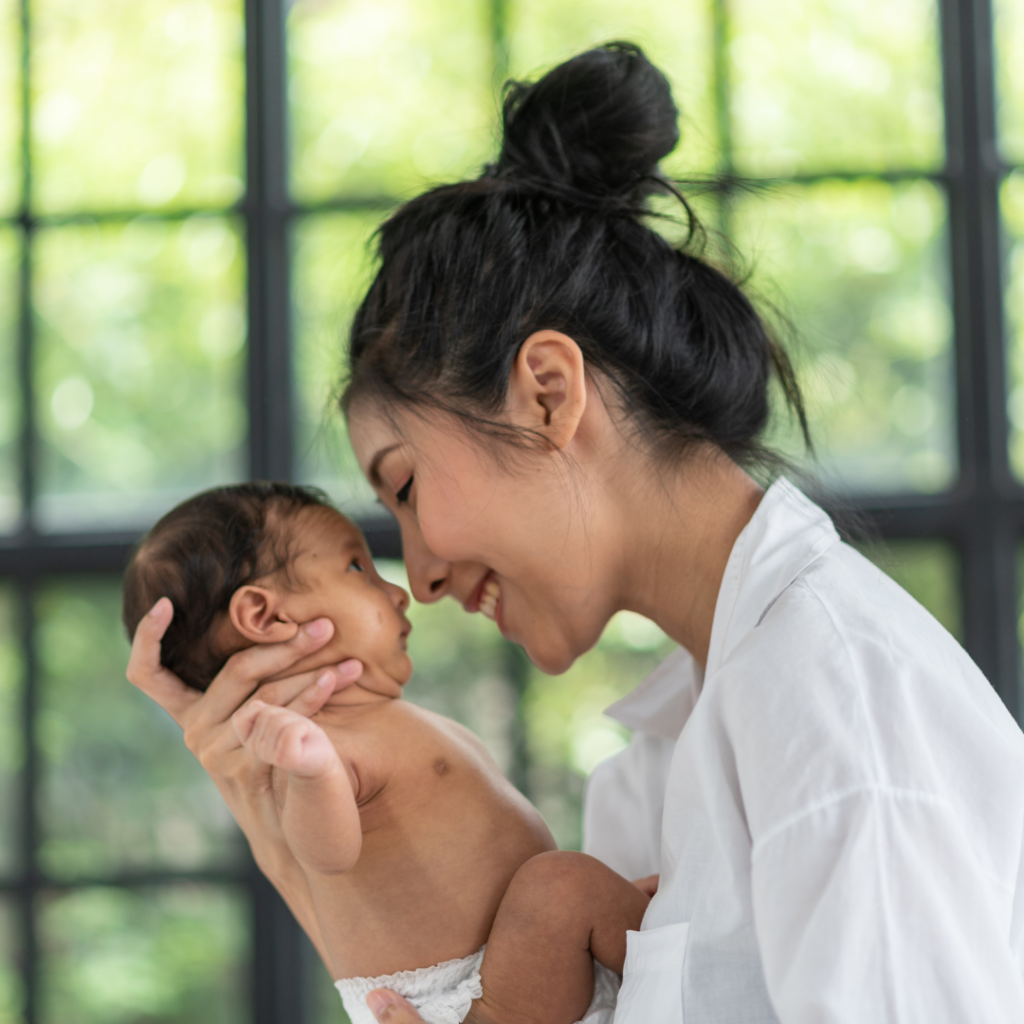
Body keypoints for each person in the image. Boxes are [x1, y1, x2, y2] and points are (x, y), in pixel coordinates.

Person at [127, 42, 1024, 1023]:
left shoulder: (830, 709)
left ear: (548, 393)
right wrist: (322, 884)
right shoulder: (656, 768)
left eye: (408, 488)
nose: (417, 575)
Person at [122, 482, 643, 1024]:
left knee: (577, 891)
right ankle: (669, 941)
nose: (398, 592)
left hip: (520, 969)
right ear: (267, 616)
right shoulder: (312, 747)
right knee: (563, 887)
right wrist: (311, 771)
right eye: (357, 569)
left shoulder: (375, 719)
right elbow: (328, 853)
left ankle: (646, 932)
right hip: (474, 1000)